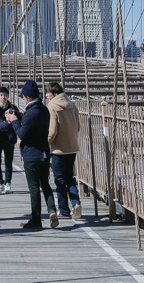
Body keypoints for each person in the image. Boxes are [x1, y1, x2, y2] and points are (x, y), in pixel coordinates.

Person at [6, 79, 58, 230]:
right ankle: (52, 210)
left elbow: (22, 132)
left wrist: (14, 120)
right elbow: (32, 123)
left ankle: (36, 219)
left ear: (28, 97)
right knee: (45, 184)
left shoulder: (30, 114)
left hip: (31, 155)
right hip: (44, 153)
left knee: (34, 188)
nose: (22, 98)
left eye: (23, 96)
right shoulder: (43, 110)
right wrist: (17, 115)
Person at [46, 80, 82, 220]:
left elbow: (52, 130)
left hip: (58, 149)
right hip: (72, 148)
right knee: (70, 177)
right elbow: (77, 127)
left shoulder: (53, 106)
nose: (47, 96)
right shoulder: (71, 105)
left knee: (59, 180)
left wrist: (46, 143)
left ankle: (64, 210)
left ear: (53, 93)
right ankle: (76, 202)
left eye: (47, 93)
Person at [0, 85, 17, 195]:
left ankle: (8, 183)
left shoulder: (13, 108)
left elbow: (17, 121)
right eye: (1, 95)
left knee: (8, 161)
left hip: (9, 138)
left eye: (5, 95)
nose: (3, 97)